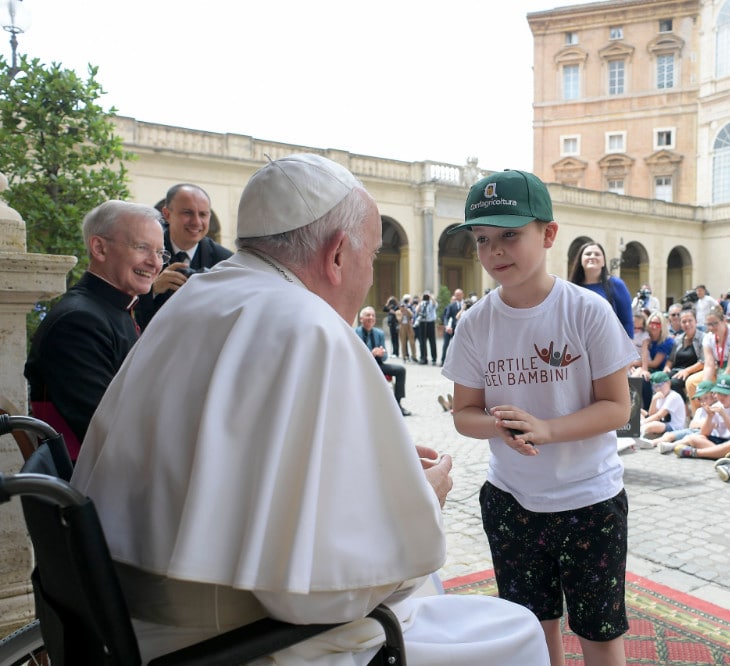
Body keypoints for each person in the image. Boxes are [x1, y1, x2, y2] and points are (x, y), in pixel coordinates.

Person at [70, 154, 548, 664]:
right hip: (241, 641)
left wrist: (370, 462)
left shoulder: (195, 298)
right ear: (339, 253)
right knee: (516, 631)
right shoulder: (310, 328)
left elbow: (244, 461)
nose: (368, 277)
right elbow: (325, 592)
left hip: (134, 618)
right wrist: (419, 498)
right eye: (372, 255)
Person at [442, 169, 637, 666]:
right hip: (511, 503)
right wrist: (500, 426)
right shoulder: (475, 322)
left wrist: (548, 429)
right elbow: (466, 414)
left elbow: (618, 406)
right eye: (483, 240)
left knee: (600, 631)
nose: (495, 252)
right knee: (531, 631)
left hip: (589, 501)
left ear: (548, 234)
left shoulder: (587, 311)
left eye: (511, 235)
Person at [24, 200, 165, 459]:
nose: (155, 263)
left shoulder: (114, 308)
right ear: (99, 247)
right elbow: (107, 429)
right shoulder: (77, 322)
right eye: (142, 247)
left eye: (160, 252)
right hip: (91, 483)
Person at [134, 184, 233, 328]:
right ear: (167, 215)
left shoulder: (225, 260)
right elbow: (125, 304)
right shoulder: (142, 252)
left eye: (203, 214)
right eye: (187, 213)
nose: (196, 222)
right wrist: (153, 289)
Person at [673, 374, 730, 461]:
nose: (721, 397)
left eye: (725, 394)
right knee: (695, 437)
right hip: (720, 440)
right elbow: (704, 433)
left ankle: (695, 453)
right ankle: (723, 455)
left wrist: (724, 415)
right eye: (719, 393)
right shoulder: (717, 405)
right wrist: (709, 416)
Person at [570, 242, 634, 337]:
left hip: (609, 344)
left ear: (603, 261)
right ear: (580, 260)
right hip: (578, 345)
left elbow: (627, 321)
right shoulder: (572, 288)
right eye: (588, 254)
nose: (592, 256)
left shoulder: (616, 285)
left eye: (597, 254)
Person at [357, 306, 412, 416]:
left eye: (373, 315)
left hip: (378, 366)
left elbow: (385, 356)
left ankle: (397, 405)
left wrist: (382, 354)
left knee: (401, 370)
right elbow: (355, 355)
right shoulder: (355, 333)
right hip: (361, 368)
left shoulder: (379, 333)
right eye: (368, 315)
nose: (371, 317)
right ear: (361, 318)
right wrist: (371, 354)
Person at [664, 308, 705, 400]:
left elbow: (703, 361)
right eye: (684, 321)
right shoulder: (678, 339)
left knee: (674, 383)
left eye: (690, 321)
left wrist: (686, 371)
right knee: (660, 380)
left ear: (696, 321)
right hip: (677, 370)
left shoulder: (703, 338)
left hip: (694, 372)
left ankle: (684, 410)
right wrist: (666, 368)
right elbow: (671, 360)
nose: (687, 324)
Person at [639, 371, 687, 440]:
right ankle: (638, 429)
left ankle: (639, 435)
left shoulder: (673, 396)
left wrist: (642, 423)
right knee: (639, 411)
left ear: (668, 383)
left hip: (674, 427)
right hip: (662, 423)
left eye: (660, 385)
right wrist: (654, 400)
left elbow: (659, 416)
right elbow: (651, 415)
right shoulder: (659, 395)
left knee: (651, 425)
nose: (658, 389)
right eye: (654, 386)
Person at [440, 288, 464, 364]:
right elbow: (446, 317)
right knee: (446, 344)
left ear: (462, 295)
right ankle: (443, 360)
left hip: (462, 329)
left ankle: (459, 362)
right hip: (451, 328)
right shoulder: (451, 305)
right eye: (456, 295)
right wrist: (447, 326)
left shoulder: (466, 305)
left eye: (459, 295)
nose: (457, 296)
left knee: (461, 346)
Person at [414, 291, 438, 365]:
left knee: (432, 341)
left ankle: (434, 358)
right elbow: (417, 311)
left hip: (430, 323)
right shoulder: (422, 303)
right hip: (422, 323)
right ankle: (423, 358)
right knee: (422, 342)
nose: (426, 297)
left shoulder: (432, 303)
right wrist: (421, 301)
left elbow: (435, 305)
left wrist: (431, 297)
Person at [399, 294, 417, 362]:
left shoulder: (408, 310)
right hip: (402, 327)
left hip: (409, 327)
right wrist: (402, 313)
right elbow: (399, 320)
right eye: (402, 306)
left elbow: (412, 315)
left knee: (412, 342)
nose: (403, 307)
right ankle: (404, 356)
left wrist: (407, 310)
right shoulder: (398, 312)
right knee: (403, 343)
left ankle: (414, 356)